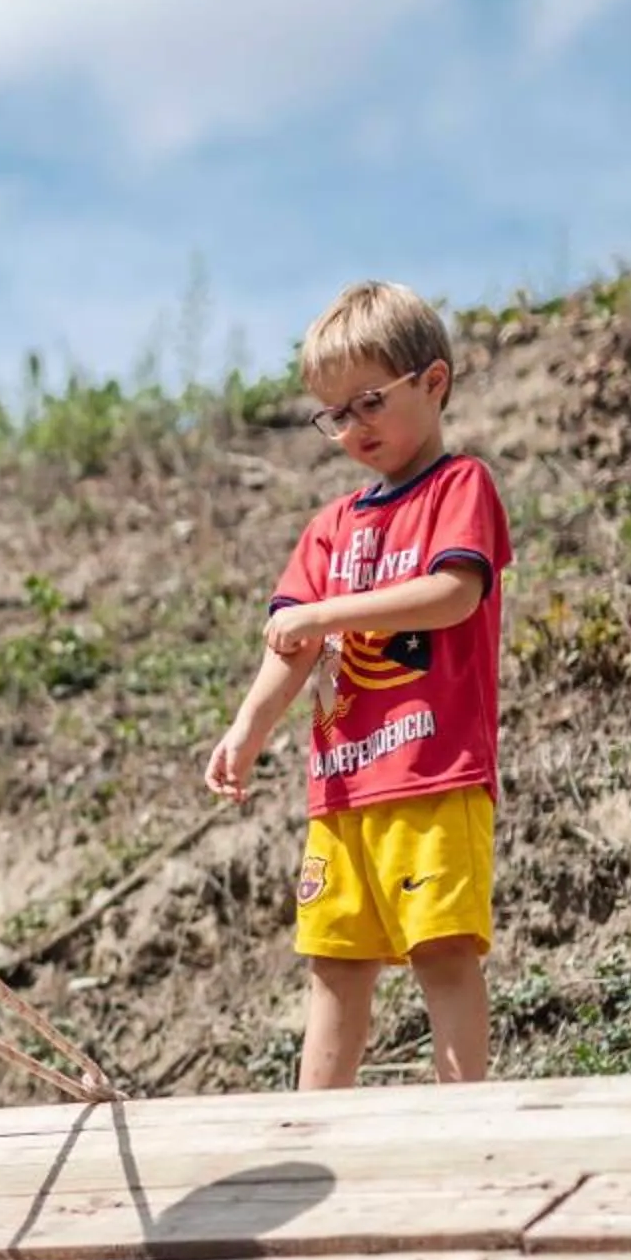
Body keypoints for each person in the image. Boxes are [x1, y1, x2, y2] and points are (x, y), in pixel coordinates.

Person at [205, 281, 511, 1089]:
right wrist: (248, 729)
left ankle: (463, 1118)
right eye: (334, 415)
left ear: (433, 382)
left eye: (369, 403)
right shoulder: (328, 529)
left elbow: (455, 594)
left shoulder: (460, 487)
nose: (352, 429)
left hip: (433, 774)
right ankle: (316, 1128)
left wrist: (329, 612)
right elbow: (291, 645)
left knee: (442, 951)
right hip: (342, 791)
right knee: (335, 967)